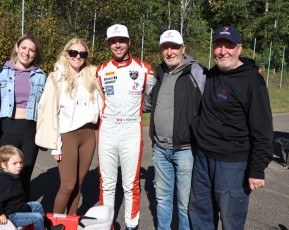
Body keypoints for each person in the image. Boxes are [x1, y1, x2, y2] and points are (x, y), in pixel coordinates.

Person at [188, 26, 273, 230]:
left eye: (229, 46)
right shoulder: (213, 73)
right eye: (218, 46)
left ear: (239, 48)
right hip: (203, 160)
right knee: (199, 214)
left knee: (231, 220)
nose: (223, 51)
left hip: (232, 165)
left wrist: (257, 169)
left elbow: (263, 131)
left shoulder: (253, 81)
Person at [143, 30, 206, 230]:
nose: (169, 52)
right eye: (165, 48)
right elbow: (148, 104)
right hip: (161, 149)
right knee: (162, 200)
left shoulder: (196, 72)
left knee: (185, 203)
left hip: (186, 150)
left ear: (183, 48)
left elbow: (209, 107)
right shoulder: (160, 73)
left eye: (174, 47)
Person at [96, 24, 154, 230]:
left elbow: (152, 97)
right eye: (113, 41)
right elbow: (98, 99)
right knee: (107, 183)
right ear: (109, 44)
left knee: (131, 184)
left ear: (129, 42)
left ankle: (131, 225)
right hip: (108, 128)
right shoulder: (101, 70)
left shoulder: (144, 68)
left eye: (121, 40)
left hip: (131, 129)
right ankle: (106, 224)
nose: (117, 45)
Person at [36, 38, 103, 214]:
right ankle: (55, 223)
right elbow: (51, 114)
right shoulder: (56, 78)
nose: (78, 57)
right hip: (68, 136)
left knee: (79, 184)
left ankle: (71, 222)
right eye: (73, 53)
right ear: (66, 54)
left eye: (82, 54)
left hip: (88, 135)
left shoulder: (92, 76)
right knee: (67, 184)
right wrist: (56, 147)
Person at [0, 33, 46, 200]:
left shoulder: (40, 75)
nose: (27, 53)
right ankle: (3, 215)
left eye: (32, 50)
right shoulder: (2, 72)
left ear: (36, 53)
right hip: (7, 128)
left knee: (25, 175)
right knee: (6, 175)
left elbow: (46, 106)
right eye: (24, 48)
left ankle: (22, 215)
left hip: (30, 130)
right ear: (17, 48)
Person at [0, 145, 63, 230]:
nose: (19, 166)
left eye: (21, 162)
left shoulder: (12, 175)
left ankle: (46, 227)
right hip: (10, 215)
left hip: (17, 207)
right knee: (37, 217)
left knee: (37, 205)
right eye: (14, 163)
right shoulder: (2, 182)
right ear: (4, 165)